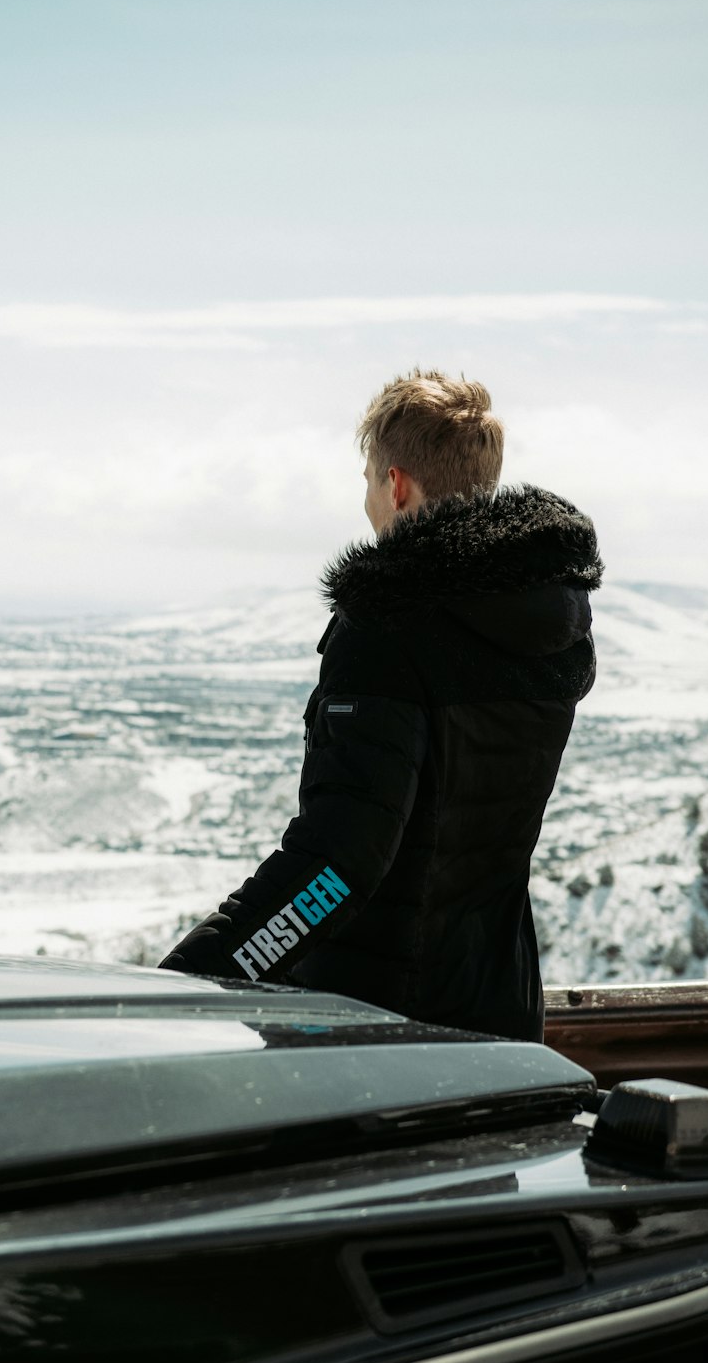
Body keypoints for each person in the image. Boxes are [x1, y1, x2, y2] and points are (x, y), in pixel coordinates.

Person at [158, 369, 602, 1041]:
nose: (368, 502)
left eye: (369, 482)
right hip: (502, 1009)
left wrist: (198, 978)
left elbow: (338, 867)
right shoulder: (545, 622)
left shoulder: (389, 627)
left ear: (395, 484)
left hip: (377, 1028)